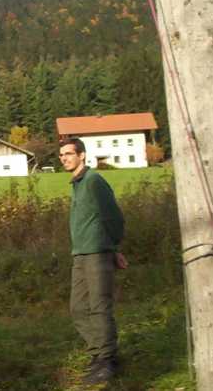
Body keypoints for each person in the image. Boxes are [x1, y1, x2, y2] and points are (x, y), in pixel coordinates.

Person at [58, 137, 128, 385]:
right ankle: (98, 352)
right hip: (80, 254)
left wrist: (114, 246)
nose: (64, 158)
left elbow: (113, 217)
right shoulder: (77, 184)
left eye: (68, 153)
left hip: (98, 252)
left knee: (99, 307)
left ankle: (107, 361)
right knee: (78, 308)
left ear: (82, 156)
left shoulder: (93, 181)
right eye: (61, 155)